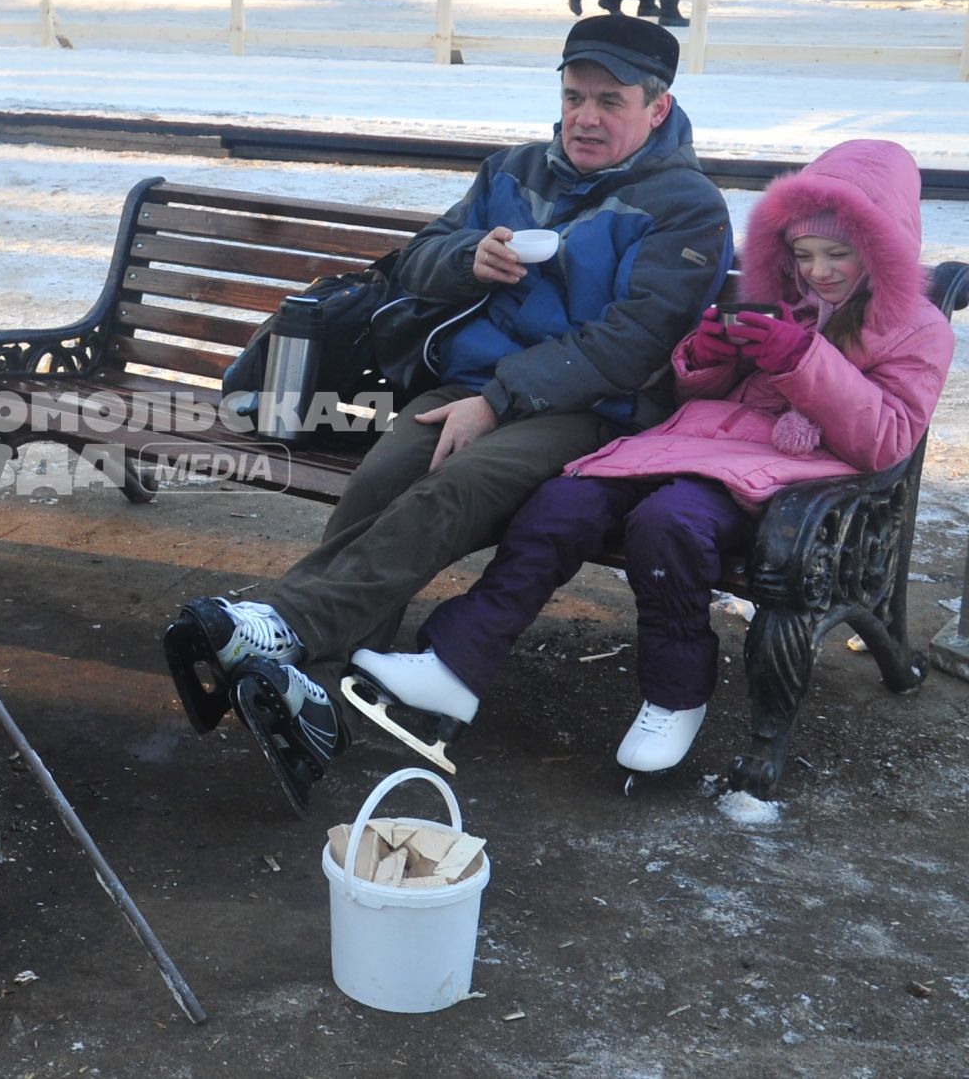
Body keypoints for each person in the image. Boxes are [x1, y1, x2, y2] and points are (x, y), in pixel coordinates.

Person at [162, 15, 732, 816]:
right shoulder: (513, 171)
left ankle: (283, 623)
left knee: (452, 487)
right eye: (574, 96)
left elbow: (635, 341)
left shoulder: (687, 208)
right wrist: (469, 260)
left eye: (611, 100)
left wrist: (499, 401)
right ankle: (308, 684)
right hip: (468, 387)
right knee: (380, 480)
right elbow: (418, 257)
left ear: (658, 109)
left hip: (592, 410)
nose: (586, 117)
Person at [347, 140, 952, 776]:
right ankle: (456, 663)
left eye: (837, 254)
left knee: (668, 526)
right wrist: (710, 352)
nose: (817, 271)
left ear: (880, 247)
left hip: (788, 477)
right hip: (689, 442)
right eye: (802, 254)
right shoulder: (781, 295)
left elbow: (887, 440)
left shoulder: (915, 328)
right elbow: (695, 390)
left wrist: (800, 360)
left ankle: (675, 693)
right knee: (562, 503)